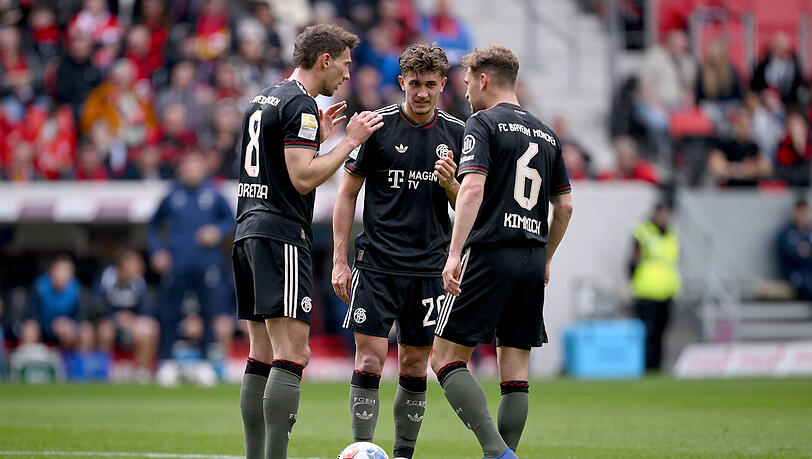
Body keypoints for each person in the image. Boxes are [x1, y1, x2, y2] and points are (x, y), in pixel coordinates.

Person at [231, 24, 382, 459]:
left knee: (260, 354)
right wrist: (349, 142)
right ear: (326, 60)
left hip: (247, 229)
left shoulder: (264, 97)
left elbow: (278, 162)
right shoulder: (302, 105)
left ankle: (256, 456)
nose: (348, 76)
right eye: (347, 65)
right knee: (293, 355)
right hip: (281, 234)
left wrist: (320, 139)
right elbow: (301, 178)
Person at [430, 46, 573, 459]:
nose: (467, 91)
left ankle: (497, 452)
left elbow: (474, 189)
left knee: (446, 358)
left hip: (490, 252)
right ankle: (506, 451)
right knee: (515, 373)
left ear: (485, 80)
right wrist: (546, 257)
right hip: (530, 256)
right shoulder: (548, 134)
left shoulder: (482, 123)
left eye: (468, 82)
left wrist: (454, 252)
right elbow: (564, 207)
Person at [331, 43, 464, 459]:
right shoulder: (375, 126)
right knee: (369, 360)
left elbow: (468, 207)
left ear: (443, 84)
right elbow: (346, 192)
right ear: (401, 82)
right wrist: (339, 258)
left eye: (430, 85)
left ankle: (403, 455)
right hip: (377, 264)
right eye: (414, 84)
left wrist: (451, 187)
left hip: (429, 268)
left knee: (413, 366)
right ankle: (362, 450)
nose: (422, 93)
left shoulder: (458, 134)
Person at [148, 152, 236, 384]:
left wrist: (217, 231)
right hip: (176, 264)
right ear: (181, 169)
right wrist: (157, 251)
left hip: (206, 264)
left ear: (203, 169)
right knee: (170, 313)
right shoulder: (172, 196)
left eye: (196, 166)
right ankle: (166, 362)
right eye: (188, 166)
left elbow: (232, 219)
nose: (192, 171)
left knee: (208, 313)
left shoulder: (214, 195)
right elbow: (154, 225)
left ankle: (206, 363)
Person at [95, 248, 159, 382]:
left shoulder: (138, 282)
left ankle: (140, 372)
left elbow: (146, 311)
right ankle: (104, 371)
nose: (139, 267)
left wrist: (133, 320)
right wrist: (115, 318)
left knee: (150, 329)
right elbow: (95, 307)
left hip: (132, 323)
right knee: (105, 331)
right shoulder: (107, 278)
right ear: (124, 264)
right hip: (111, 322)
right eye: (135, 263)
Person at [630, 201, 680, 371]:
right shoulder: (643, 232)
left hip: (666, 291)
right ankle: (645, 367)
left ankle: (657, 368)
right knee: (647, 335)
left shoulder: (670, 235)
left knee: (661, 334)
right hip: (646, 291)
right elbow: (632, 261)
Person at [777, 198, 812, 300]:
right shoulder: (786, 234)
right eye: (799, 211)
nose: (802, 215)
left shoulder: (809, 232)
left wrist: (805, 252)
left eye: (804, 211)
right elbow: (790, 255)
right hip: (796, 275)